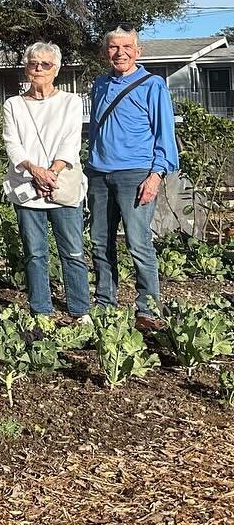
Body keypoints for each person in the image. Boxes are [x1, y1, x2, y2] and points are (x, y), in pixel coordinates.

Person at [87, 28, 178, 330]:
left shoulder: (153, 86)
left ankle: (148, 310)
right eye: (113, 47)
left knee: (139, 244)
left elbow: (165, 133)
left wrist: (156, 175)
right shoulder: (99, 84)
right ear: (106, 52)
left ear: (138, 51)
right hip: (99, 173)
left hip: (136, 174)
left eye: (127, 47)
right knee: (100, 242)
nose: (120, 52)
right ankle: (105, 304)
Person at [0, 42, 90, 323]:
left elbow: (71, 141)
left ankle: (79, 309)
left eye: (45, 64)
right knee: (34, 253)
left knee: (73, 251)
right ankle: (40, 309)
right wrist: (34, 170)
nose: (38, 69)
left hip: (61, 185)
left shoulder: (71, 102)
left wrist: (51, 172)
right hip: (27, 186)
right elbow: (12, 143)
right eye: (33, 63)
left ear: (57, 69)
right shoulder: (13, 104)